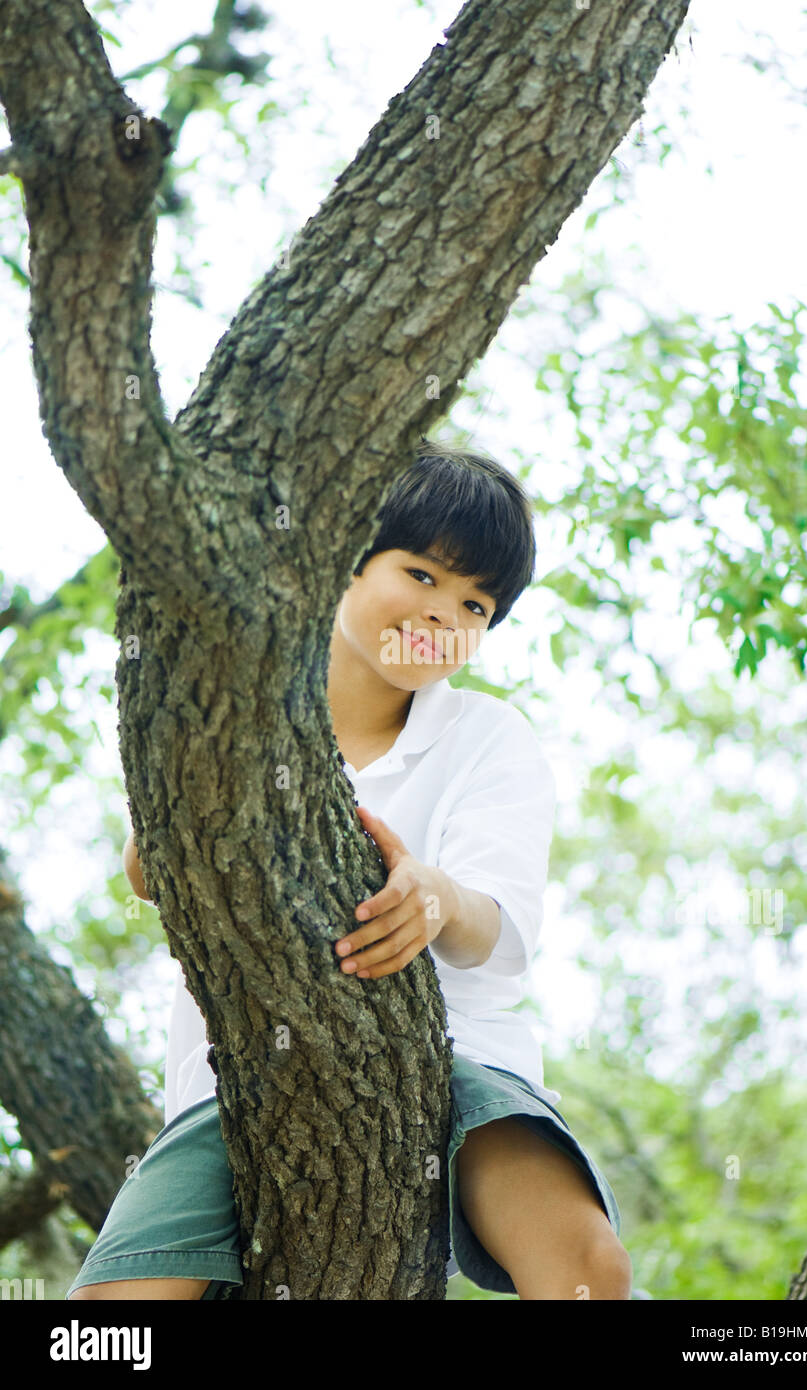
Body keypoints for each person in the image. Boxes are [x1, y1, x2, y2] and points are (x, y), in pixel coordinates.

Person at [66, 437, 630, 1301]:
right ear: (344, 560)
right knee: (112, 1318)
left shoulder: (487, 737)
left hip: (453, 1059)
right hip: (238, 1078)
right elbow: (150, 873)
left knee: (585, 1265)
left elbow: (497, 927)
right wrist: (185, 819)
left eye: (477, 605)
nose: (446, 615)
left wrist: (433, 897)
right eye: (423, 574)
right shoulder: (234, 711)